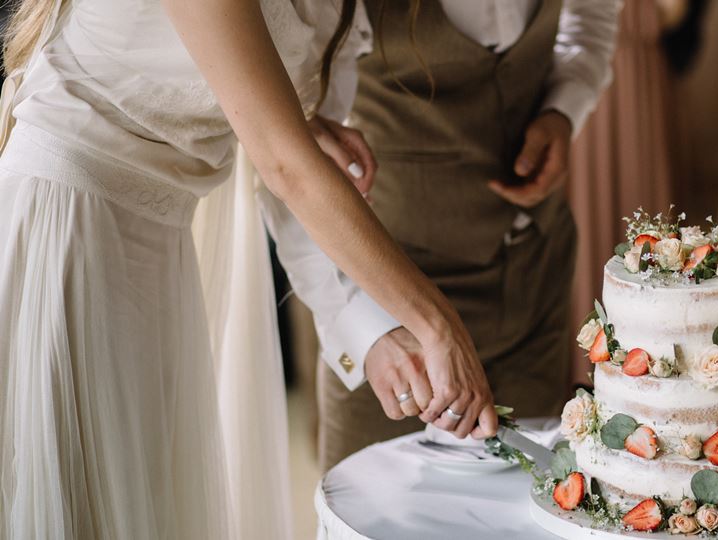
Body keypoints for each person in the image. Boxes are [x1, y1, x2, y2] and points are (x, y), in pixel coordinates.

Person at [0, 0, 496, 538]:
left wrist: (376, 332)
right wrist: (437, 323)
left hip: (162, 255)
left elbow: (297, 168)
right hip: (71, 225)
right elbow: (288, 164)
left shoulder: (341, 12)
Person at [312, 0, 623, 472]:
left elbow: (593, 15)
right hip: (393, 318)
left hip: (536, 283)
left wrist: (564, 109)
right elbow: (291, 160)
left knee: (522, 510)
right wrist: (366, 324)